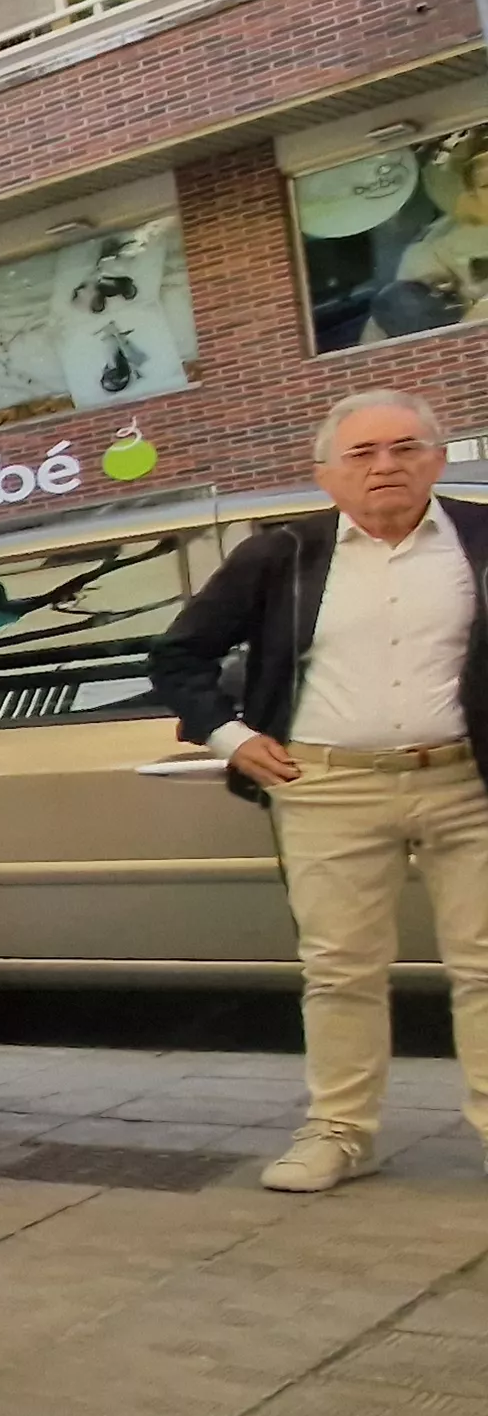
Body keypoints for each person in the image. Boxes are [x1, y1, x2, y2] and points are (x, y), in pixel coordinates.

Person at [150, 390, 488, 1191]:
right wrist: (232, 738)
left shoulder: (479, 537)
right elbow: (179, 657)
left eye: (405, 448)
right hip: (328, 784)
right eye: (362, 454)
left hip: (467, 781)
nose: (385, 467)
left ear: (438, 458)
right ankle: (338, 1132)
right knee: (340, 970)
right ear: (325, 475)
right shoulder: (281, 557)